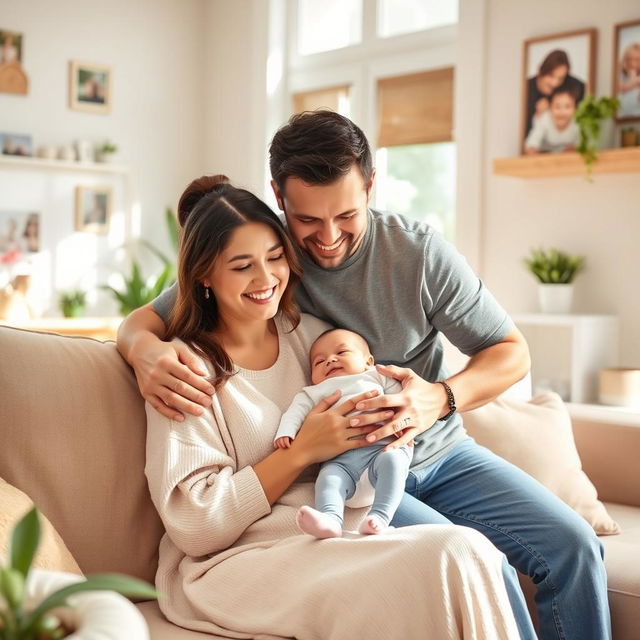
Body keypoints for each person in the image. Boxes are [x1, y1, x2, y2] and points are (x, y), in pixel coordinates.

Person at [117, 111, 611, 640]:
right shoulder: (262, 251)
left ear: (371, 186)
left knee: (576, 547)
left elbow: (511, 352)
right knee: (479, 566)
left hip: (440, 450)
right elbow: (158, 315)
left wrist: (440, 398)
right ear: (280, 197)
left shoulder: (418, 255)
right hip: (354, 477)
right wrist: (144, 350)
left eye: (346, 215)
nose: (328, 238)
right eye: (307, 220)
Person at [142, 174, 531, 639]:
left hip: (331, 535)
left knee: (466, 548)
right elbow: (195, 526)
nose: (266, 279)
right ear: (205, 275)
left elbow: (373, 396)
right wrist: (301, 451)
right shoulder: (185, 370)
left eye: (274, 257)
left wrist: (409, 402)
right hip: (239, 560)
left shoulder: (313, 337)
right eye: (242, 265)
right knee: (444, 556)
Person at [275, 327, 412, 538]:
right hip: (342, 463)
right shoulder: (314, 392)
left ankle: (380, 518)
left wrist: (405, 420)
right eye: (319, 362)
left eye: (341, 353)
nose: (330, 360)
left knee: (393, 461)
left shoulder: (376, 376)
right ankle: (331, 520)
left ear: (368, 361)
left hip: (381, 449)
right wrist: (287, 431)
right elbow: (295, 411)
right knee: (328, 478)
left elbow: (405, 400)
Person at [525, 49, 585, 141]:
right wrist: (537, 115)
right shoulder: (525, 89)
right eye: (551, 76)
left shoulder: (574, 86)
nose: (555, 83)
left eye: (561, 78)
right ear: (540, 70)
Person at [524, 86, 580, 154]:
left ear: (575, 109)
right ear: (550, 108)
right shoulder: (545, 119)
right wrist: (532, 149)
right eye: (557, 106)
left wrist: (576, 148)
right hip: (543, 155)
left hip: (567, 157)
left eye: (567, 106)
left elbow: (582, 144)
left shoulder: (577, 122)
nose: (562, 111)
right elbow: (533, 141)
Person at [618, 42, 640, 118]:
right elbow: (617, 88)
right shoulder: (619, 75)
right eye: (629, 59)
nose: (633, 63)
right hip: (622, 117)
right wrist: (633, 79)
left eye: (637, 60)